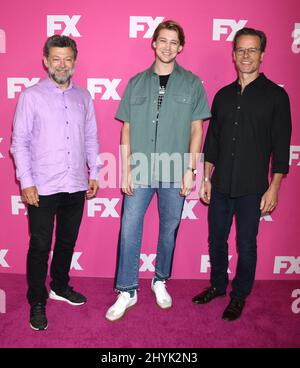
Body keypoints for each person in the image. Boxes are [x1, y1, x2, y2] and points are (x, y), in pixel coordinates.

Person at [105, 20, 211, 321]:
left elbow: (196, 130)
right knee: (129, 230)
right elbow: (126, 129)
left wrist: (191, 168)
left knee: (169, 229)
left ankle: (160, 280)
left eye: (173, 42)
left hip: (175, 169)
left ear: (180, 47)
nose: (167, 46)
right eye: (162, 40)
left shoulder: (192, 83)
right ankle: (127, 289)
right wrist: (125, 169)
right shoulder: (136, 82)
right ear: (153, 43)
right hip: (138, 169)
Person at [192, 27, 292, 321]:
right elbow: (212, 143)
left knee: (247, 243)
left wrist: (273, 188)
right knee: (216, 239)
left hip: (252, 188)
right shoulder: (222, 96)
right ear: (233, 55)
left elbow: (281, 147)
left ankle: (238, 296)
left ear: (262, 55)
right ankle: (218, 286)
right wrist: (207, 179)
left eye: (252, 50)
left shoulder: (276, 96)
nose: (246, 56)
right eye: (240, 50)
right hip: (220, 184)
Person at [11, 35, 100, 330]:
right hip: (42, 187)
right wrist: (26, 181)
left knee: (66, 241)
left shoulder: (84, 97)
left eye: (68, 59)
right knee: (39, 245)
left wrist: (95, 173)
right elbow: (19, 142)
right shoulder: (31, 96)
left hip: (75, 184)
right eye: (56, 59)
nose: (62, 64)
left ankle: (60, 285)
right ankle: (37, 299)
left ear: (74, 62)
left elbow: (90, 138)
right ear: (46, 61)